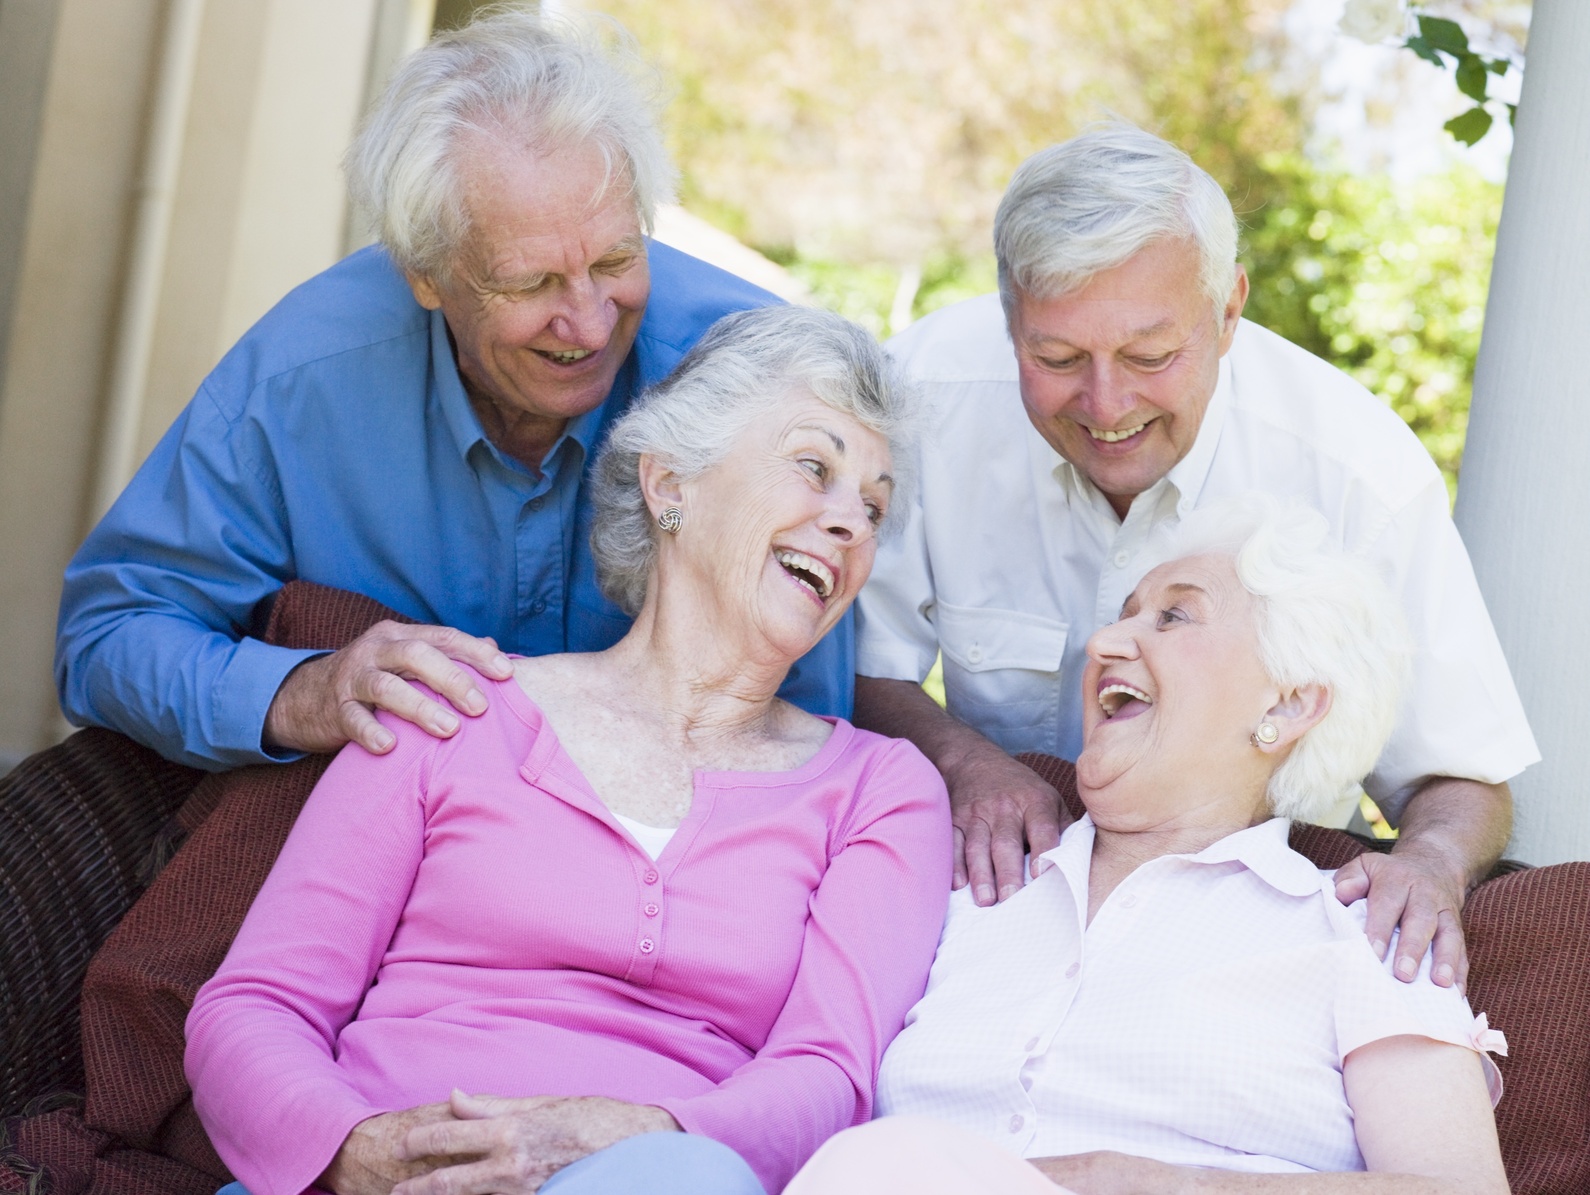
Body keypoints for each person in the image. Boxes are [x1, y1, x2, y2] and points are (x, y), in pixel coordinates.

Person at [184, 306, 952, 1195]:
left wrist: (640, 1137)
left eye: (874, 507)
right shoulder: (457, 704)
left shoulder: (881, 790)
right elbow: (255, 1007)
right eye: (814, 468)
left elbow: (831, 1074)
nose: (851, 524)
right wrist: (361, 1149)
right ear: (672, 483)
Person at [55, 9, 850, 774]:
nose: (588, 322)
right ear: (425, 276)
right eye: (532, 282)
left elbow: (815, 723)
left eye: (614, 262)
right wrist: (303, 694)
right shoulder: (301, 378)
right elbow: (107, 635)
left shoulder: (761, 387)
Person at [853, 122, 1536, 988]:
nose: (1106, 404)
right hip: (997, 902)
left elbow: (1461, 774)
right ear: (1009, 321)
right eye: (1056, 356)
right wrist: (962, 760)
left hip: (1245, 936)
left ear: (1228, 312)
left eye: (1150, 355)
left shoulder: (1360, 474)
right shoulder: (923, 396)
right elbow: (852, 660)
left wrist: (1431, 863)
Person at [789, 498, 1510, 1195]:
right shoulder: (963, 881)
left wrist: (1146, 1181)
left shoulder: (1368, 930)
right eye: (1121, 615)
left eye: (1174, 615)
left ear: (1287, 702)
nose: (1104, 644)